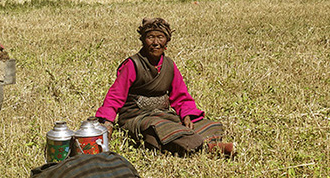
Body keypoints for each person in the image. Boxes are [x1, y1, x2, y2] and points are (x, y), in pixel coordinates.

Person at [95, 17, 234, 157]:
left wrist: (186, 115)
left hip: (162, 115)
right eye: (150, 37)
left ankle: (195, 143)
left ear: (166, 41)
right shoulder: (133, 64)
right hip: (137, 117)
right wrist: (107, 122)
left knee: (209, 125)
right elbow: (116, 95)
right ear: (143, 40)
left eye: (160, 37)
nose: (155, 43)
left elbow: (181, 95)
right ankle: (207, 148)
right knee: (158, 129)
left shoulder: (169, 65)